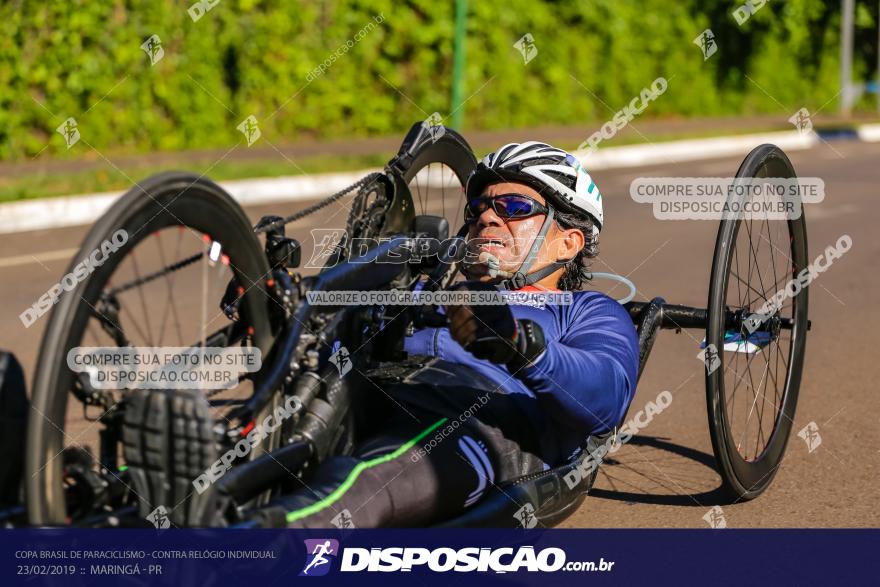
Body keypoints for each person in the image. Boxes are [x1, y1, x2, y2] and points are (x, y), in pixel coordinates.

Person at [251, 141, 640, 528]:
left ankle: (253, 546)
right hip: (364, 393)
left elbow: (604, 396)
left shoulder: (587, 310)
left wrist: (520, 343)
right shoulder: (424, 290)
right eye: (477, 209)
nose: (486, 218)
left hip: (476, 417)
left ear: (568, 242)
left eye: (515, 208)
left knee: (365, 483)